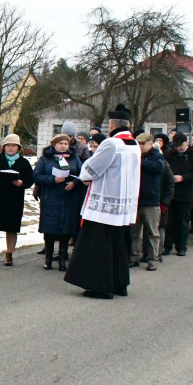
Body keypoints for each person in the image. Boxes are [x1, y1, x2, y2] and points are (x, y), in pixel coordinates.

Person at [64, 105, 140, 299]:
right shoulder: (134, 144)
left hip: (105, 203)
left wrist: (85, 174)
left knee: (100, 246)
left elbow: (89, 170)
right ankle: (119, 284)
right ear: (128, 125)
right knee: (118, 245)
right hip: (123, 203)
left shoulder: (111, 144)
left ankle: (100, 286)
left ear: (112, 124)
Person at [0, 134, 34, 267]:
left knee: (12, 228)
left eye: (14, 146)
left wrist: (22, 183)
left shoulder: (24, 162)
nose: (11, 148)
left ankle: (9, 254)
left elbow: (30, 179)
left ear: (18, 148)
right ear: (4, 147)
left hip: (14, 199)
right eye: (8, 145)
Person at [33, 133, 82, 270]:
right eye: (60, 143)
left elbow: (82, 174)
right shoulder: (46, 158)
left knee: (65, 229)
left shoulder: (74, 158)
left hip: (69, 197)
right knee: (49, 228)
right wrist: (52, 180)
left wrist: (74, 183)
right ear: (54, 144)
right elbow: (36, 176)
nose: (63, 146)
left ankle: (62, 258)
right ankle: (48, 258)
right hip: (51, 198)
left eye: (66, 144)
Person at [163, 132, 193, 256]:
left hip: (185, 192)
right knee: (169, 221)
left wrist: (183, 178)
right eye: (176, 146)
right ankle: (167, 246)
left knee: (182, 220)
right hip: (171, 192)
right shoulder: (169, 154)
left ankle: (181, 246)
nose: (178, 148)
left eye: (180, 145)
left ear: (186, 143)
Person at [131, 132, 165, 271]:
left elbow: (157, 168)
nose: (140, 146)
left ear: (150, 144)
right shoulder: (134, 156)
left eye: (142, 144)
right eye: (138, 144)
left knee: (152, 232)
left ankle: (153, 258)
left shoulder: (158, 156)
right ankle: (134, 256)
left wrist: (140, 161)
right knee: (134, 232)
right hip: (136, 198)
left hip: (151, 200)